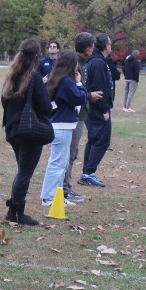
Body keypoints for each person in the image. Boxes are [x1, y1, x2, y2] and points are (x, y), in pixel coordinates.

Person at [1, 38, 52, 226]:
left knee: (22, 170)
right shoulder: (34, 78)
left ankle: (13, 210)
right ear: (37, 56)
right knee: (25, 172)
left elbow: (4, 101)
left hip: (13, 129)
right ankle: (16, 212)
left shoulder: (11, 75)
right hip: (29, 130)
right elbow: (46, 107)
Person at [40, 50, 87, 207]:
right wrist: (79, 83)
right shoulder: (66, 81)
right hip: (62, 126)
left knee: (62, 163)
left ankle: (57, 196)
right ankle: (49, 197)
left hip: (59, 124)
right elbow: (80, 98)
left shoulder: (56, 78)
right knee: (58, 163)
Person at [60, 33, 96, 205]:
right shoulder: (74, 65)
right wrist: (89, 95)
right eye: (92, 47)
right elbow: (71, 91)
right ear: (88, 49)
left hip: (78, 115)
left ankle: (66, 187)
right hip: (73, 116)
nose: (93, 50)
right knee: (69, 153)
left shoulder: (80, 63)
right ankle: (64, 190)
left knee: (71, 153)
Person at [79, 33, 114, 187]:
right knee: (101, 140)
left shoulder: (94, 61)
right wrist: (104, 110)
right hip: (97, 109)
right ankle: (89, 173)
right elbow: (100, 88)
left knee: (93, 139)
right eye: (110, 44)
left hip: (92, 108)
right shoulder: (98, 62)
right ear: (106, 46)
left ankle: (87, 172)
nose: (111, 47)